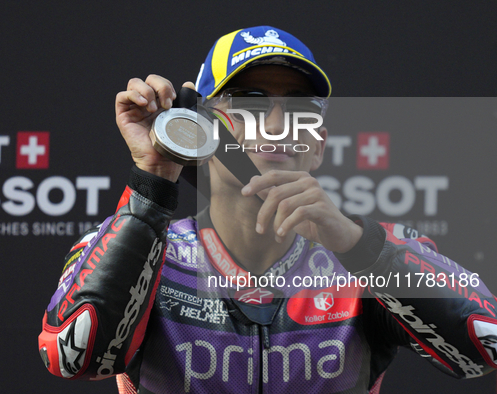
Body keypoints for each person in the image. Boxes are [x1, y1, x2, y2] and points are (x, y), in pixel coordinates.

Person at [38, 26, 497, 393]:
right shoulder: (146, 250)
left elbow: (485, 347)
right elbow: (72, 357)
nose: (277, 125)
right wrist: (152, 182)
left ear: (317, 145)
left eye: (299, 108)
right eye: (250, 103)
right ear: (200, 126)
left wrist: (359, 247)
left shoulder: (367, 258)